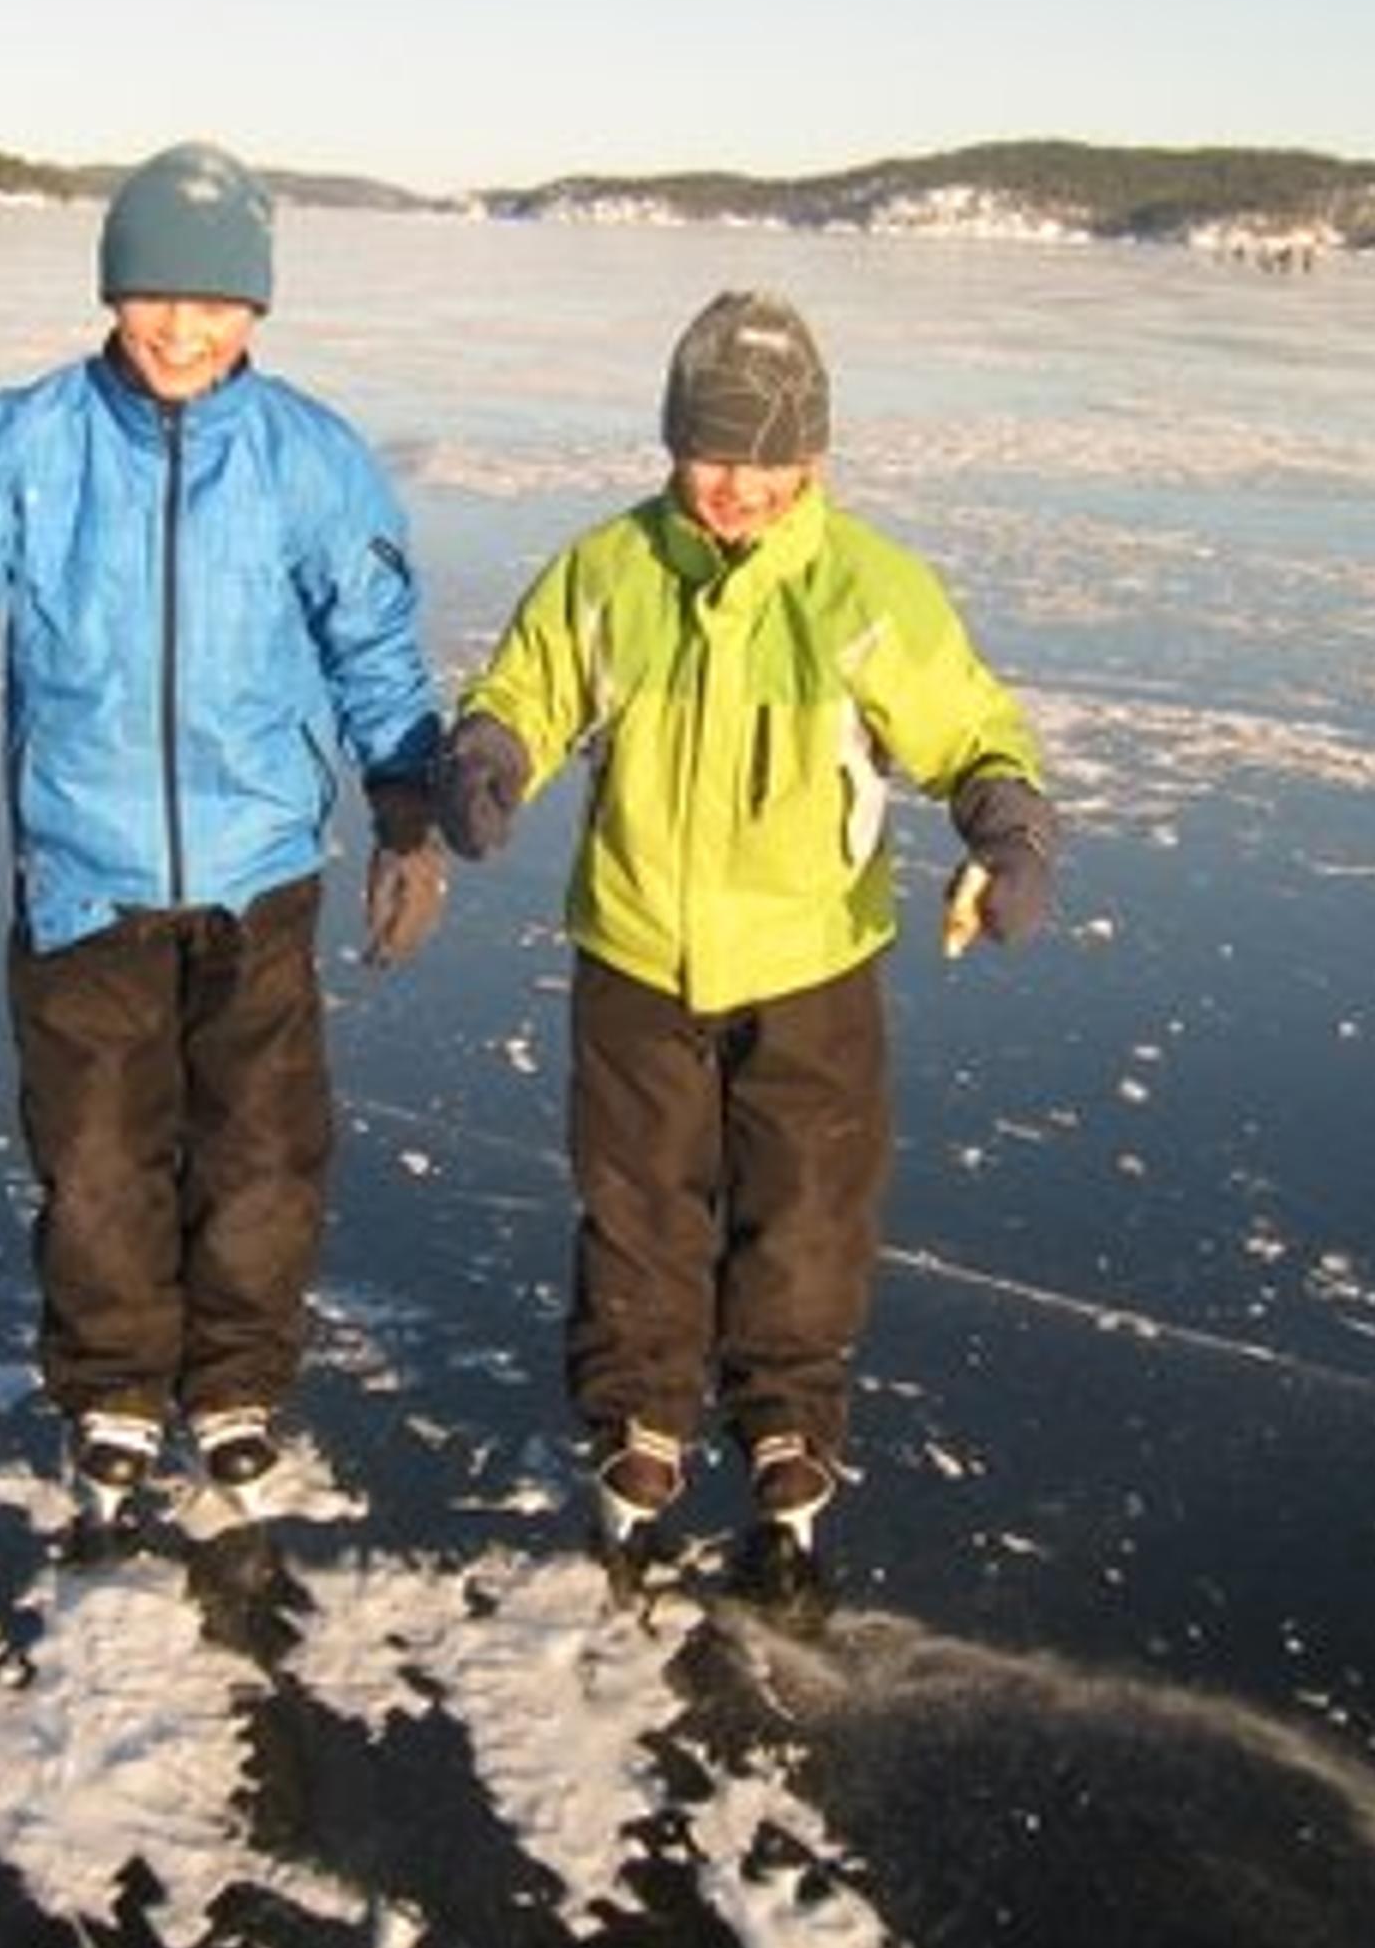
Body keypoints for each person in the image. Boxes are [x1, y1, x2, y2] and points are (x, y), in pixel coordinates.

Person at [0, 142, 446, 1533]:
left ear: (257, 308)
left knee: (262, 1156)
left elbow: (373, 643)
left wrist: (404, 805)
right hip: (84, 874)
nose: (181, 329)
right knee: (92, 1161)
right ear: (111, 292)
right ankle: (117, 1387)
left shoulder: (310, 459)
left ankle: (239, 1383)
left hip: (260, 872)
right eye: (153, 296)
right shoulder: (30, 440)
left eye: (212, 302)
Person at [436, 289, 1058, 1608]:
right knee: (639, 1199)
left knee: (806, 1209)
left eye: (769, 465)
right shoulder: (611, 570)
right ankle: (641, 1416)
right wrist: (492, 752)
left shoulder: (864, 592)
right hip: (637, 952)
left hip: (812, 963)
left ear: (815, 462)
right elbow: (532, 685)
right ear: (671, 445)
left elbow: (968, 727)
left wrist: (1008, 830)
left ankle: (786, 1417)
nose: (737, 490)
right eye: (713, 457)